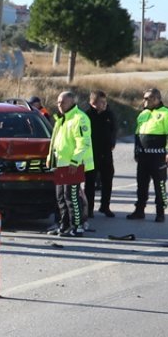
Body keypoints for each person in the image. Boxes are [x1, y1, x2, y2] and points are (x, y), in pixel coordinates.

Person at [129, 87, 168, 222]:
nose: (144, 101)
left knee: (159, 185)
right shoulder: (143, 114)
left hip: (158, 157)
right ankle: (139, 210)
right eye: (144, 98)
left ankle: (160, 212)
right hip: (144, 156)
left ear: (156, 99)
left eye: (147, 98)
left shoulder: (167, 113)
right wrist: (136, 152)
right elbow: (138, 135)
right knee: (141, 185)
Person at [49, 91, 93, 237]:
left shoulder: (79, 118)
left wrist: (75, 161)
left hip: (73, 165)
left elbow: (84, 143)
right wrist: (50, 157)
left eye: (63, 102)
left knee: (72, 196)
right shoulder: (62, 119)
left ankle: (77, 226)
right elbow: (55, 142)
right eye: (58, 102)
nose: (59, 105)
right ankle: (64, 225)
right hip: (61, 164)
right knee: (60, 197)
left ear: (72, 102)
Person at [86, 90, 118, 218]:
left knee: (107, 180)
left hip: (106, 153)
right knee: (90, 183)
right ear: (93, 102)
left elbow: (114, 130)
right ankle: (89, 208)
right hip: (91, 153)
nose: (105, 105)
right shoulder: (87, 116)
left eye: (105, 102)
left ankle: (105, 206)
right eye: (102, 102)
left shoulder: (109, 115)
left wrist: (112, 142)